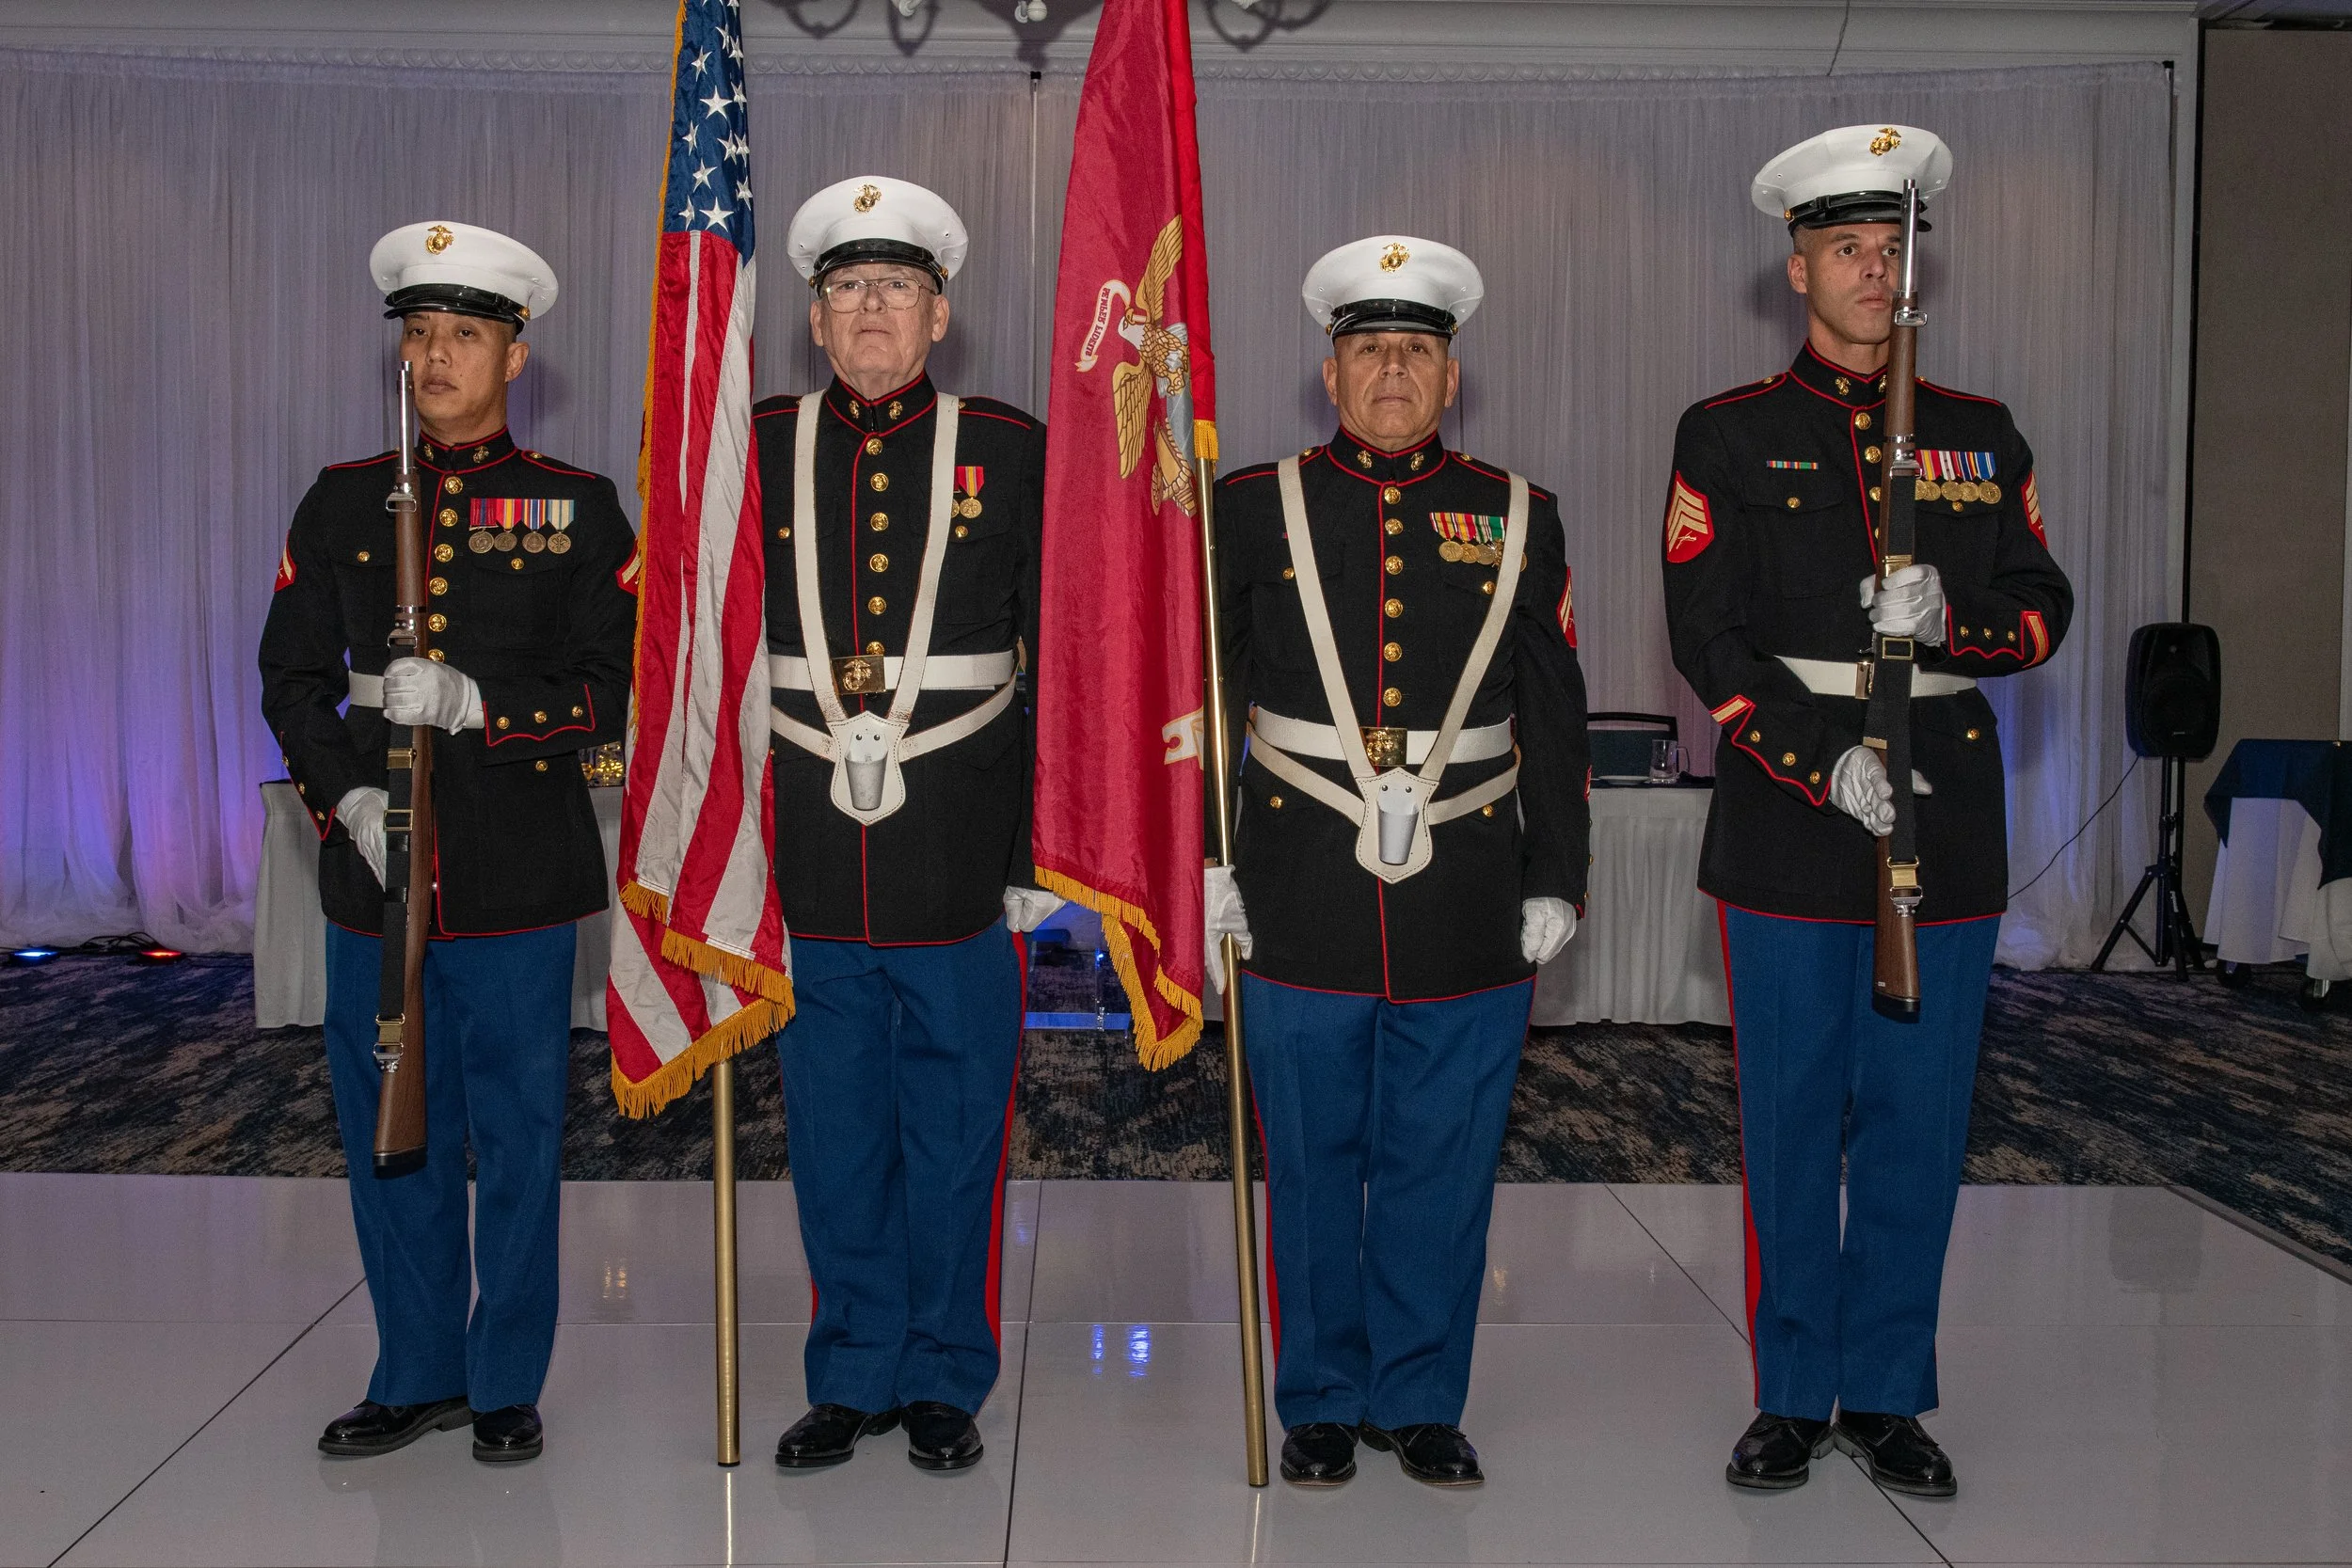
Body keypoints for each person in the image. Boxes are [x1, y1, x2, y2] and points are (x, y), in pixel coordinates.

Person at [1662, 125, 2074, 1497]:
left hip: (1944, 820)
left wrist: (1958, 617)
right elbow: (1707, 634)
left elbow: (2045, 607)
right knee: (1788, 1113)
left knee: (1916, 1116)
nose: (1874, 272)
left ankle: (1888, 1389)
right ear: (1798, 267)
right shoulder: (1728, 434)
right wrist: (1814, 752)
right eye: (1848, 248)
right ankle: (1791, 1392)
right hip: (1790, 824)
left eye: (1894, 250)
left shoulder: (1978, 433)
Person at [1207, 235, 1590, 1489]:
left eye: (1415, 348)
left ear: (1452, 375)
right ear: (1329, 372)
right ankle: (1319, 1395)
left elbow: (1557, 711)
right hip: (1299, 881)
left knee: (1443, 1155)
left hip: (1469, 887)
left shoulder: (1522, 514)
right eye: (1368, 347)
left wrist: (1558, 875)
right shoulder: (1251, 507)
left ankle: (1422, 1395)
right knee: (1311, 1158)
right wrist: (1200, 859)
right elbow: (1200, 702)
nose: (1390, 367)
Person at [259, 221, 637, 1464]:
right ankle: (413, 1367)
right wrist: (344, 802)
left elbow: (612, 686)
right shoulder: (341, 498)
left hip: (517, 872)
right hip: (378, 874)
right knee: (391, 1131)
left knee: (522, 1135)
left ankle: (504, 1377)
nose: (434, 355)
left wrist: (484, 706)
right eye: (419, 332)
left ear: (513, 355)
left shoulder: (577, 510)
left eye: (463, 334)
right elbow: (291, 679)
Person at [752, 176, 1057, 1475]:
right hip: (806, 858)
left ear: (941, 314)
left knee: (955, 1133)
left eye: (897, 289)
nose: (871, 311)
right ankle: (852, 1365)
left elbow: (1070, 663)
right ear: (815, 323)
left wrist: (1043, 854)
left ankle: (944, 1370)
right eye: (846, 292)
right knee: (830, 1132)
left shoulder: (1013, 448)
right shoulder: (753, 446)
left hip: (959, 857)